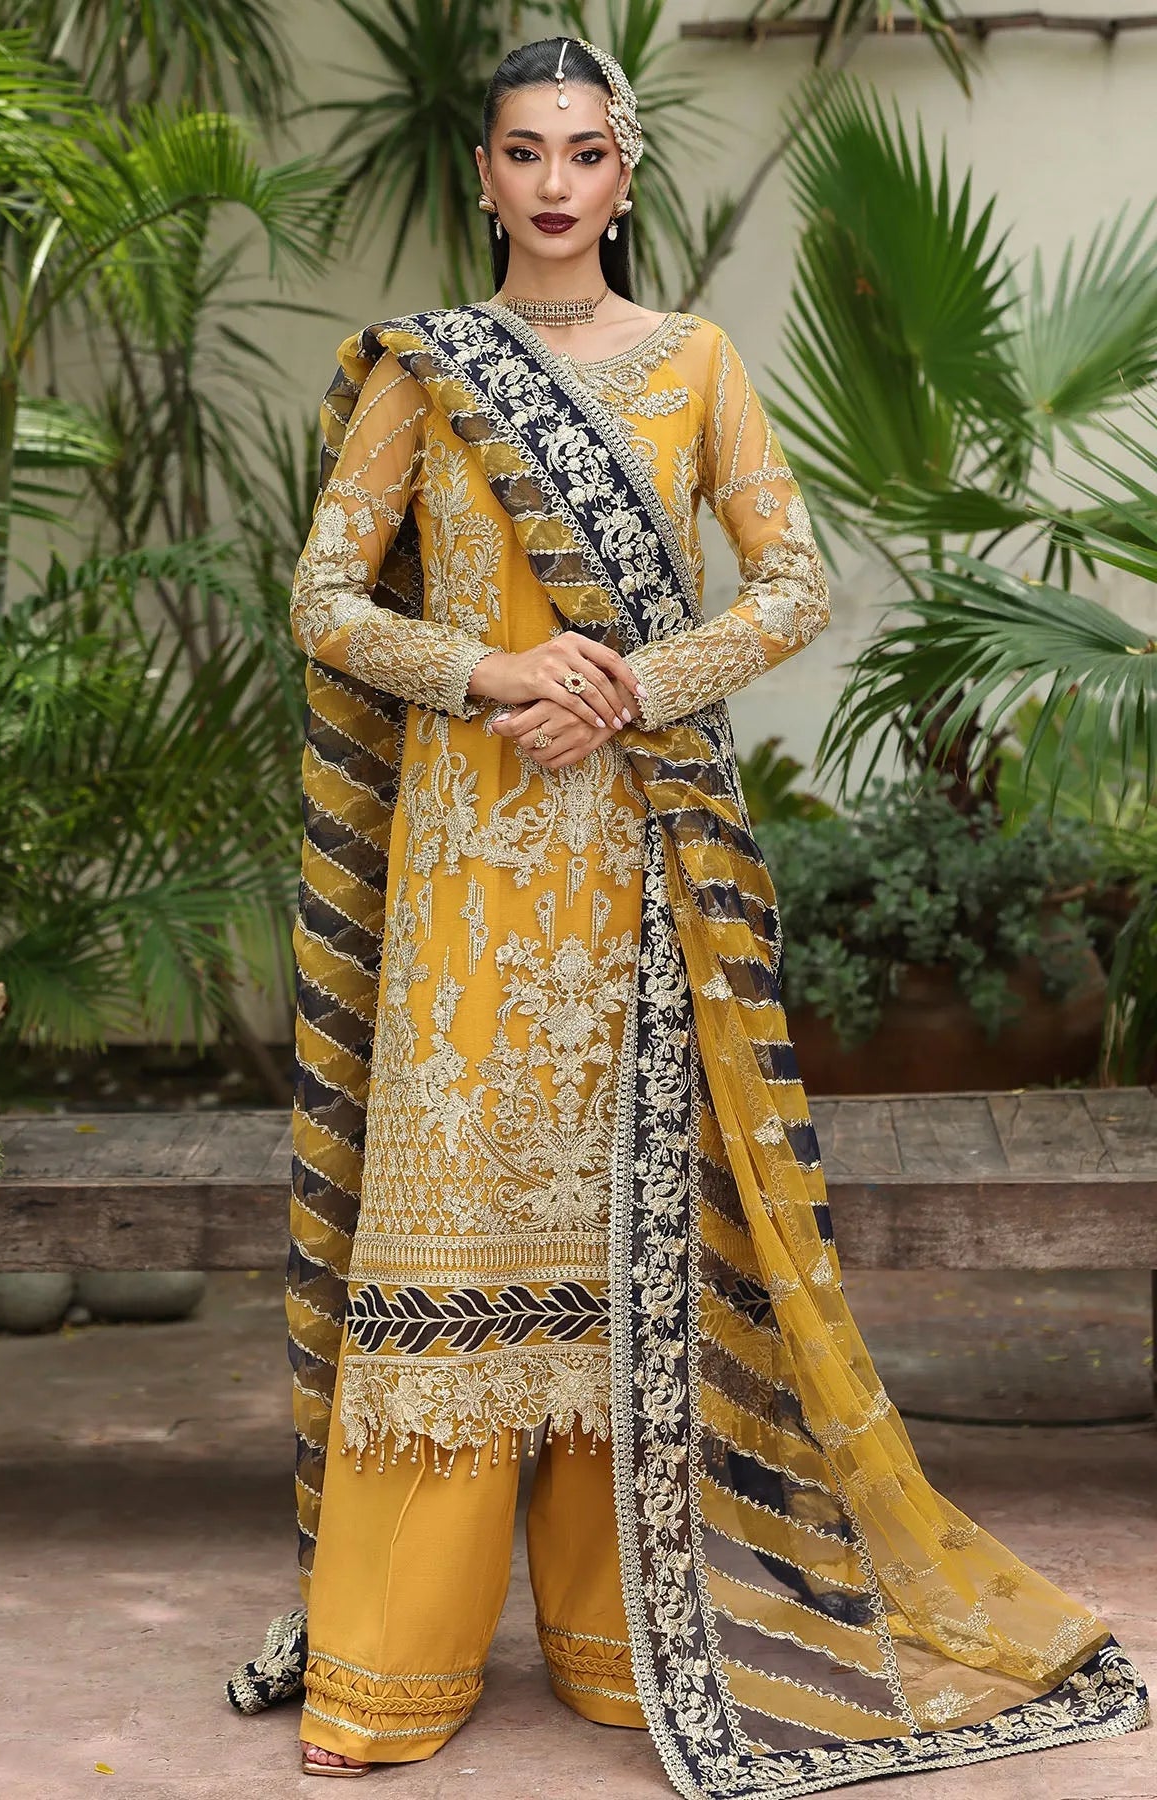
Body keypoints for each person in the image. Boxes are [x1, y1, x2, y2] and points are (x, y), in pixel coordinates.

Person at [225, 34, 1150, 1792]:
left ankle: (616, 1637)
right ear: (483, 176)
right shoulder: (428, 369)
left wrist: (635, 687)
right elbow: (325, 600)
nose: (554, 183)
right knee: (449, 1230)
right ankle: (387, 1667)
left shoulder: (697, 364)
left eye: (585, 152)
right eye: (524, 152)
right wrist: (496, 668)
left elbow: (791, 582)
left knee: (624, 1246)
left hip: (641, 871)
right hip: (466, 870)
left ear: (623, 176)